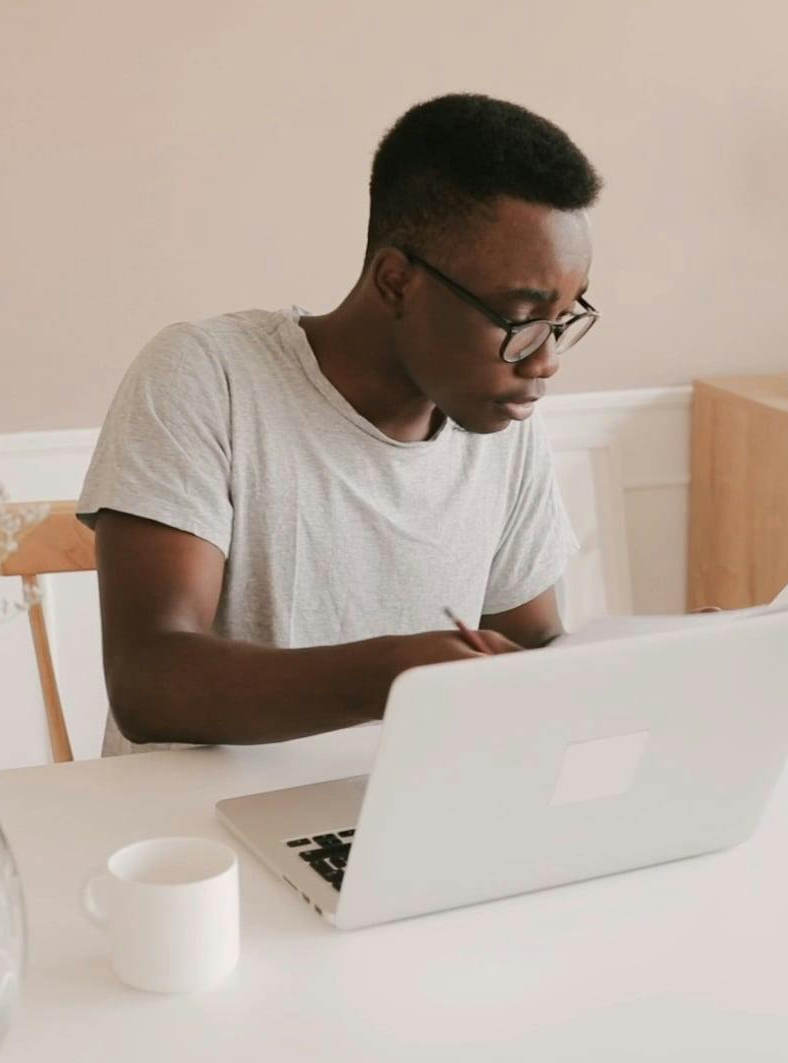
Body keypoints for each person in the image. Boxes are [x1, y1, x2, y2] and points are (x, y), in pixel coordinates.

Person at [77, 92, 602, 753]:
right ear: (395, 282)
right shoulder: (209, 376)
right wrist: (388, 678)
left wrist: (652, 666)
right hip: (195, 840)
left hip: (394, 807)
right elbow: (149, 681)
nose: (546, 360)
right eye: (521, 318)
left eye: (562, 320)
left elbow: (530, 651)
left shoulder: (503, 419)